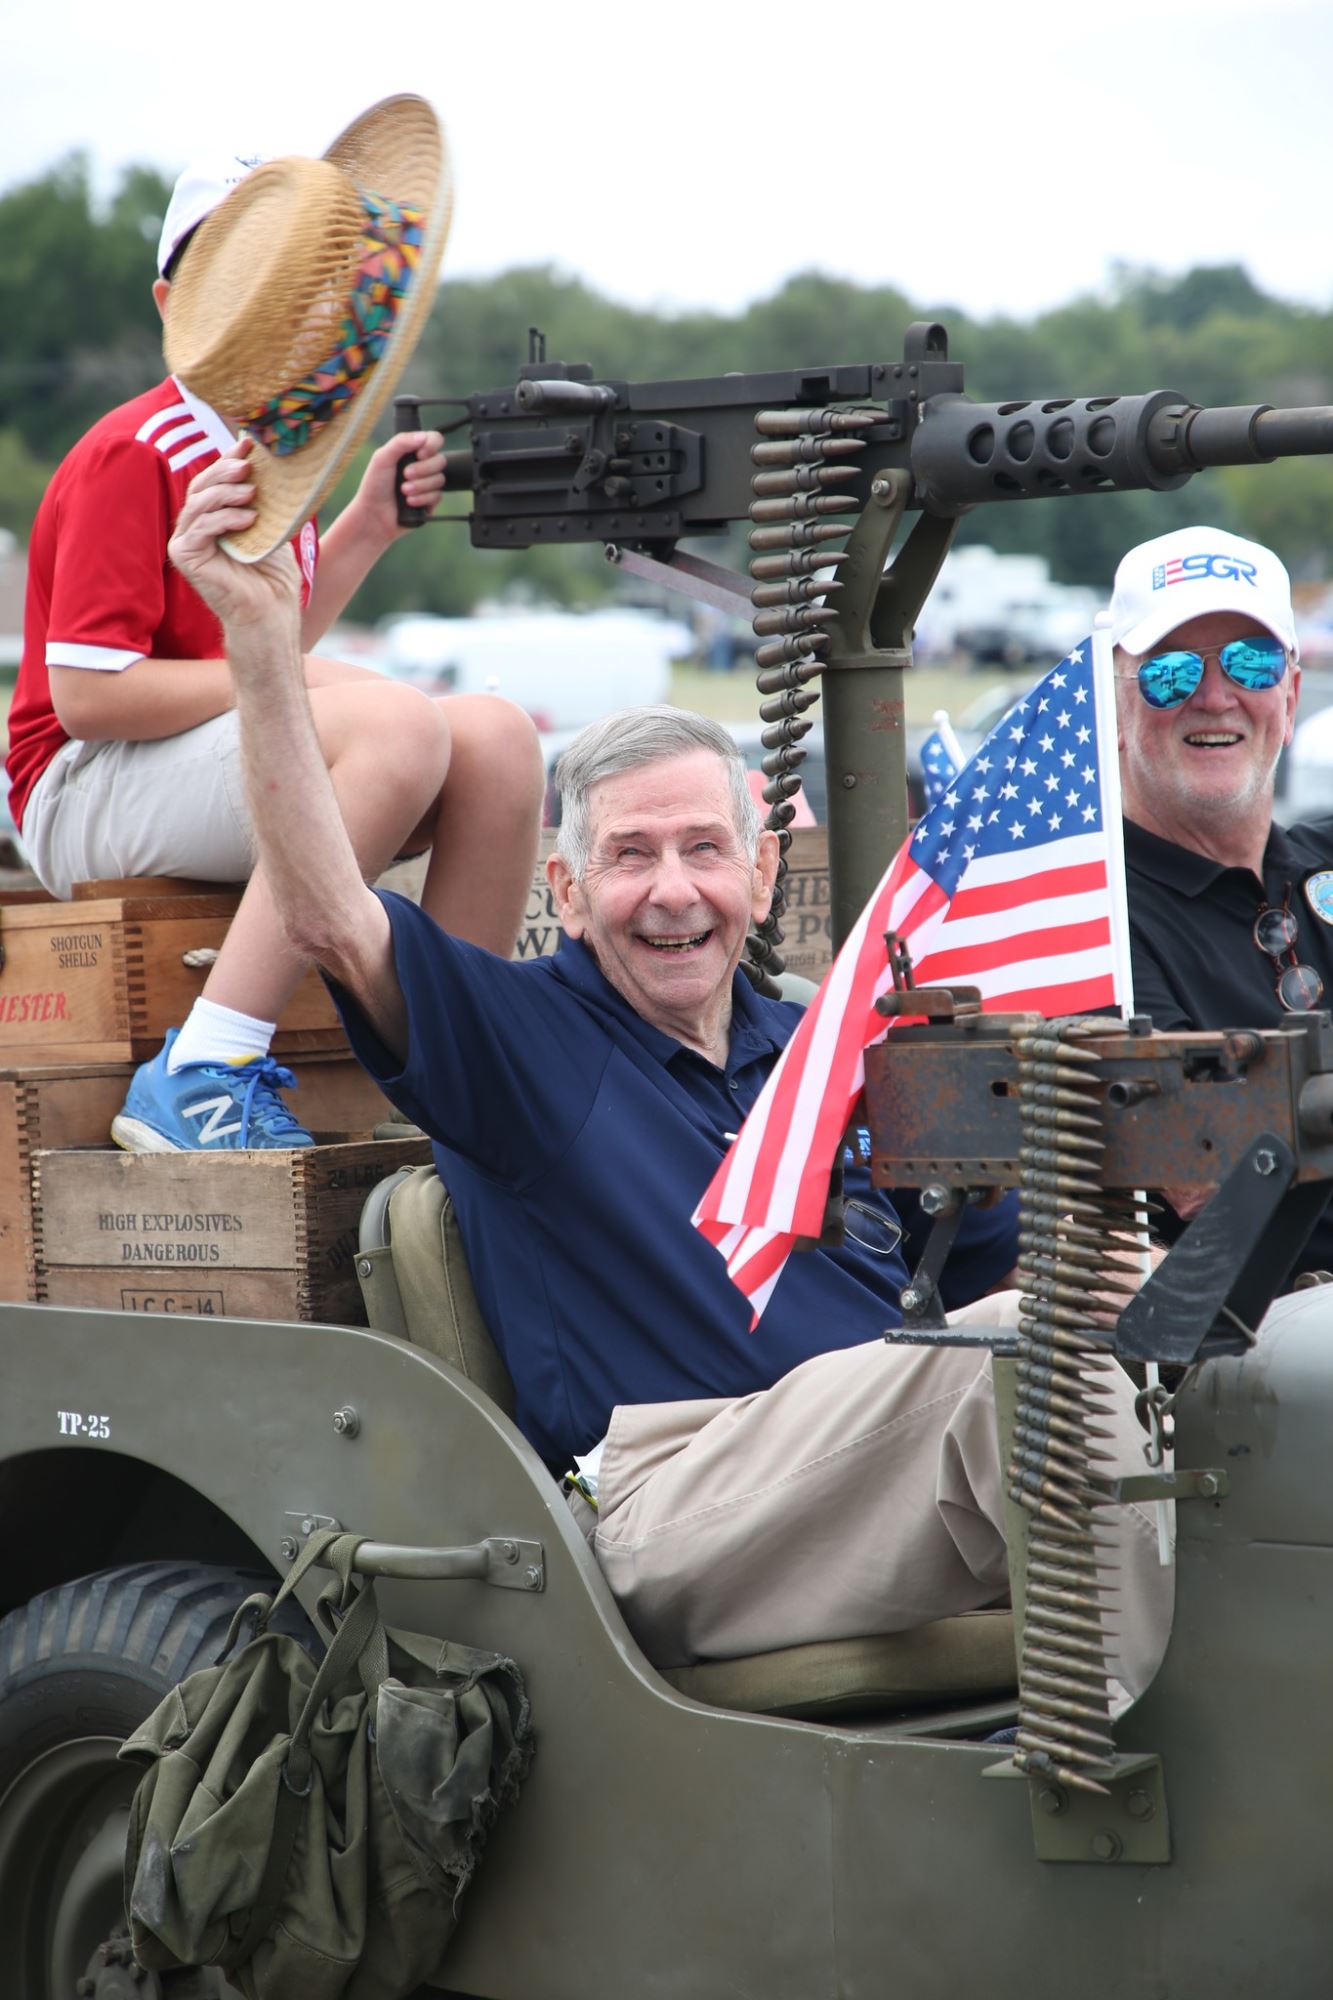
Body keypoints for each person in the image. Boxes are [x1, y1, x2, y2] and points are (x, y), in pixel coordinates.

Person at [162, 444, 1172, 1694]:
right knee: (1039, 1348)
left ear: (762, 877)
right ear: (568, 893)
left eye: (705, 847)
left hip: (871, 1468)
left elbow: (992, 1259)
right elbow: (326, 910)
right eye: (630, 856)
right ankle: (1142, 1768)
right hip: (677, 1496)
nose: (673, 889)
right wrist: (263, 646)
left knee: (1167, 1329)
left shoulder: (817, 1055)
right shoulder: (526, 1042)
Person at [5, 112, 544, 1152]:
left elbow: (266, 637)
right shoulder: (139, 449)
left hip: (180, 763)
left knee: (497, 735)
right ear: (174, 303)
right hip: (82, 782)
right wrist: (303, 684)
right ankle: (208, 1059)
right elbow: (90, 696)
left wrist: (365, 528)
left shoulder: (270, 446)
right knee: (390, 724)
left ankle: (459, 1073)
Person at [1110, 525, 1333, 1276]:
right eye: (1168, 672)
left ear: (1290, 692)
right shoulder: (1092, 917)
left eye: (1249, 661)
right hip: (1253, 1342)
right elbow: (1221, 1179)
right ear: (1113, 701)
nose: (1214, 696)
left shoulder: (1321, 860)